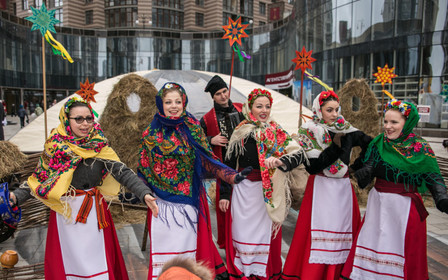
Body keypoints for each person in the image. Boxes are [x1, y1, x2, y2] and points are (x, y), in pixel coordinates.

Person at [10, 97, 158, 279]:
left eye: (89, 118)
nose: (85, 124)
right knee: (70, 266)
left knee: (98, 265)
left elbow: (122, 172)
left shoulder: (98, 144)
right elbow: (38, 180)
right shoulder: (55, 147)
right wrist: (15, 197)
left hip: (95, 215)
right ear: (67, 119)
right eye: (78, 119)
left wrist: (144, 194)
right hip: (66, 215)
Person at [138, 82, 251, 280]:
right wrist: (139, 191)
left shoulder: (192, 126)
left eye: (178, 101)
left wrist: (232, 176)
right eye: (168, 102)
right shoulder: (151, 132)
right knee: (163, 256)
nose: (174, 106)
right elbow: (144, 167)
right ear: (160, 104)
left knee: (185, 254)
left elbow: (208, 161)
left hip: (188, 203)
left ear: (184, 103)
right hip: (160, 206)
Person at [341, 98, 448, 280]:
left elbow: (433, 176)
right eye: (386, 121)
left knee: (403, 252)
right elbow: (368, 168)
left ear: (407, 123)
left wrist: (442, 198)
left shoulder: (421, 147)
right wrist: (363, 172)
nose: (388, 126)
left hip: (405, 209)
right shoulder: (378, 144)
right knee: (374, 245)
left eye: (394, 122)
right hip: (379, 205)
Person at [281, 90, 372, 280]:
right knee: (318, 234)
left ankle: (340, 273)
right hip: (321, 188)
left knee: (343, 231)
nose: (334, 114)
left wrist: (357, 166)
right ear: (318, 110)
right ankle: (315, 274)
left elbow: (369, 143)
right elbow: (313, 167)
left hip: (343, 189)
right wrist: (335, 147)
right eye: (329, 110)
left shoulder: (345, 128)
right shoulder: (309, 130)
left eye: (337, 109)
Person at [222, 88, 307, 280]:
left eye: (267, 106)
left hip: (267, 192)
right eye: (259, 106)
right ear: (249, 107)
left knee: (262, 234)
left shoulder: (275, 130)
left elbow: (298, 154)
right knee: (243, 232)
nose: (264, 110)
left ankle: (260, 272)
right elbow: (227, 165)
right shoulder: (240, 131)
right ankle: (243, 270)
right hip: (243, 191)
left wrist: (280, 162)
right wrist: (225, 194)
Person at [200, 75, 244, 249]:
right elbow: (195, 139)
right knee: (226, 208)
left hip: (245, 167)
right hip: (224, 169)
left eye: (225, 91)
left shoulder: (243, 110)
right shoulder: (207, 119)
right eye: (218, 94)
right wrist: (211, 139)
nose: (223, 96)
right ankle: (229, 243)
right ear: (213, 97)